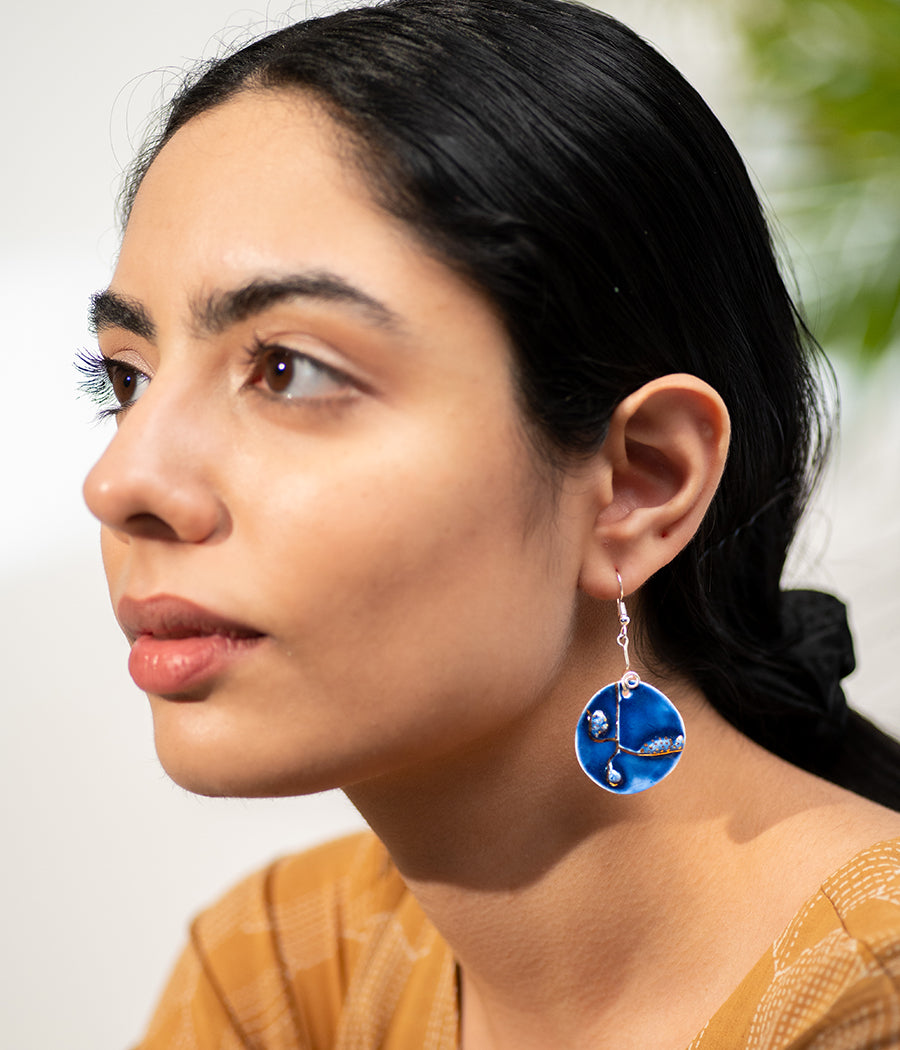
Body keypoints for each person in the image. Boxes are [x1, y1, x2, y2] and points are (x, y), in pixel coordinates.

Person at [79, 0, 900, 1046]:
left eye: (288, 370)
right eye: (126, 376)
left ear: (639, 483)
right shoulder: (283, 976)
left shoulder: (868, 1000)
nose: (123, 481)